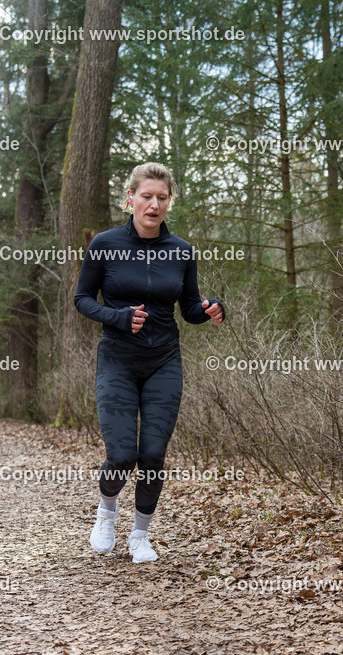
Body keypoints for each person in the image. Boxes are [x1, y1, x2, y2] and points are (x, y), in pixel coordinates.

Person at [73, 162, 226, 562]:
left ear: (169, 202)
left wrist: (208, 308)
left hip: (164, 361)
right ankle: (107, 511)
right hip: (117, 361)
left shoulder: (182, 251)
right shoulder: (105, 244)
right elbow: (82, 299)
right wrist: (118, 317)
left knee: (154, 453)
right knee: (122, 455)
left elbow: (189, 308)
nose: (153, 204)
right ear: (130, 199)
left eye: (161, 197)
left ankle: (140, 535)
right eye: (146, 196)